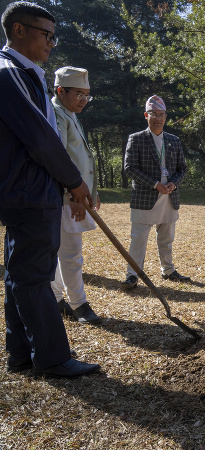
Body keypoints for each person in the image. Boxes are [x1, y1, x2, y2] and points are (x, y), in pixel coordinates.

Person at [1, 1, 99, 377]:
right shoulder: (9, 74)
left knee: (20, 275)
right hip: (28, 190)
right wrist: (73, 182)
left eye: (53, 37)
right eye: (46, 35)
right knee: (36, 277)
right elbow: (41, 138)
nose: (51, 44)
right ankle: (53, 358)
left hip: (27, 190)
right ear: (19, 30)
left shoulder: (27, 73)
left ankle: (22, 354)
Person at [121, 95, 190, 289]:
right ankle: (132, 275)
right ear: (146, 115)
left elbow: (182, 169)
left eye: (162, 114)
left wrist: (173, 184)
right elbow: (130, 168)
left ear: (166, 116)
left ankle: (168, 271)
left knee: (167, 239)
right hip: (146, 197)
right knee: (138, 240)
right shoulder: (136, 139)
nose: (158, 118)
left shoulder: (174, 140)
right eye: (154, 114)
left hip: (169, 197)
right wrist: (155, 184)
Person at [50, 66, 102, 324]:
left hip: (75, 193)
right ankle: (79, 305)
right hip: (65, 196)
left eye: (87, 95)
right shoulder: (56, 114)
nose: (84, 100)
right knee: (71, 253)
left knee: (64, 250)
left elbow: (82, 157)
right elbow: (60, 156)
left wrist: (92, 191)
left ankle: (57, 298)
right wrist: (73, 197)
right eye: (78, 94)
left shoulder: (69, 112)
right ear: (61, 90)